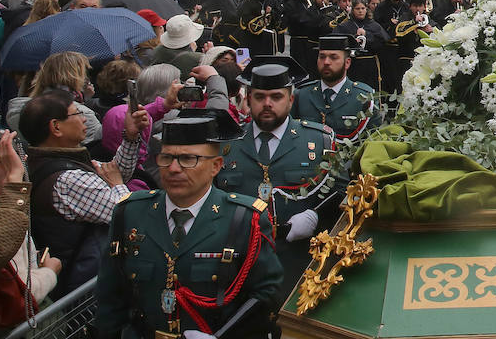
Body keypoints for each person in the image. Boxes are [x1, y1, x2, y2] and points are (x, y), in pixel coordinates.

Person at [95, 109, 283, 338]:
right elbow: (110, 296)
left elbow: (266, 295)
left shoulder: (244, 218)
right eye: (166, 158)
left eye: (187, 159)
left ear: (216, 166)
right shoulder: (131, 212)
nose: (174, 169)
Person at [215, 60, 340, 289]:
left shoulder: (318, 141)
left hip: (300, 264)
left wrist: (316, 217)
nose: (268, 104)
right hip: (239, 266)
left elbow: (340, 194)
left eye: (276, 97)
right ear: (248, 98)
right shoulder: (227, 145)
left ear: (291, 100)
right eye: (260, 97)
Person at [22, 89, 147, 297]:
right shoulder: (68, 179)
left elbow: (110, 175)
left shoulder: (47, 161)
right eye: (76, 113)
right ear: (56, 127)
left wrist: (130, 137)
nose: (84, 118)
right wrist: (116, 185)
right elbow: (129, 216)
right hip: (83, 291)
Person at [292, 36, 378, 142]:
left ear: (347, 63)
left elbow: (373, 142)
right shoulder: (301, 95)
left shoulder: (364, 97)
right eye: (322, 57)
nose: (326, 62)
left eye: (333, 57)